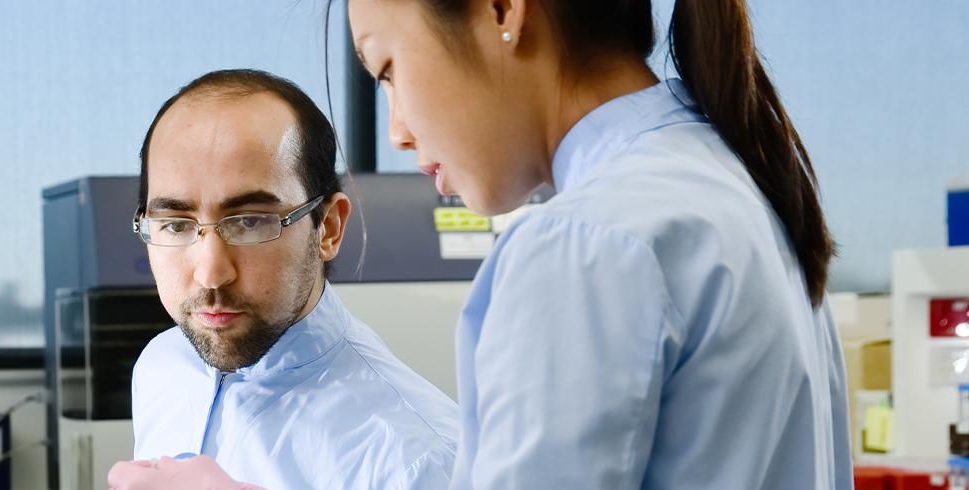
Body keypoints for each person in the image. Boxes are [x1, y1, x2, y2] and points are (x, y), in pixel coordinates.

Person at [112, 0, 853, 488]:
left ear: (503, 11)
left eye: (391, 70)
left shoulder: (583, 247)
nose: (398, 130)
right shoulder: (732, 181)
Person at [117, 68, 462, 490]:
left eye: (250, 222)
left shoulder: (420, 460)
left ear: (328, 228)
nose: (210, 273)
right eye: (175, 224)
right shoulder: (162, 365)